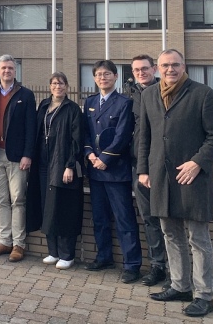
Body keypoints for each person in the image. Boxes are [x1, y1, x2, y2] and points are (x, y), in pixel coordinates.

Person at [139, 49, 213, 318]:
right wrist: (143, 170)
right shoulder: (149, 95)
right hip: (161, 178)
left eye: (175, 65)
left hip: (192, 177)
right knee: (170, 234)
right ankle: (180, 286)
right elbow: (145, 137)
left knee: (198, 239)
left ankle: (204, 296)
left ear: (183, 66)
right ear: (157, 68)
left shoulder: (203, 94)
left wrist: (197, 162)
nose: (170, 70)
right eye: (164, 65)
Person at [83, 59, 142, 283]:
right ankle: (104, 256)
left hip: (115, 171)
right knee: (100, 218)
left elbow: (123, 135)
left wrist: (105, 158)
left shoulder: (124, 103)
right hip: (95, 171)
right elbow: (86, 133)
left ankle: (132, 264)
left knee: (124, 219)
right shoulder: (89, 102)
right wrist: (89, 154)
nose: (102, 78)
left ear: (116, 77)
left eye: (107, 74)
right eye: (98, 74)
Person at [0, 54, 36, 263]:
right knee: (1, 199)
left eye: (10, 68)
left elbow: (32, 128)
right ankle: (5, 241)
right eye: (3, 68)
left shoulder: (26, 95)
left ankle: (19, 244)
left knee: (18, 200)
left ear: (15, 71)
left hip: (17, 157)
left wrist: (27, 154)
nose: (7, 71)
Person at [29, 72, 83, 270]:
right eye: (54, 84)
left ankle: (67, 254)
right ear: (49, 86)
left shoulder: (72, 109)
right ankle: (53, 251)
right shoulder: (43, 106)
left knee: (63, 208)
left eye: (61, 84)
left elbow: (76, 140)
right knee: (47, 208)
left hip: (61, 165)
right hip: (43, 165)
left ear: (67, 87)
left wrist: (70, 165)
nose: (57, 87)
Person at [124, 54, 168, 287]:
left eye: (145, 68)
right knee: (149, 217)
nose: (141, 73)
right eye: (136, 70)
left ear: (154, 69)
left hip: (162, 164)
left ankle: (176, 268)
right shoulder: (129, 95)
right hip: (138, 165)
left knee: (169, 217)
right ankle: (158, 266)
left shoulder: (165, 91)